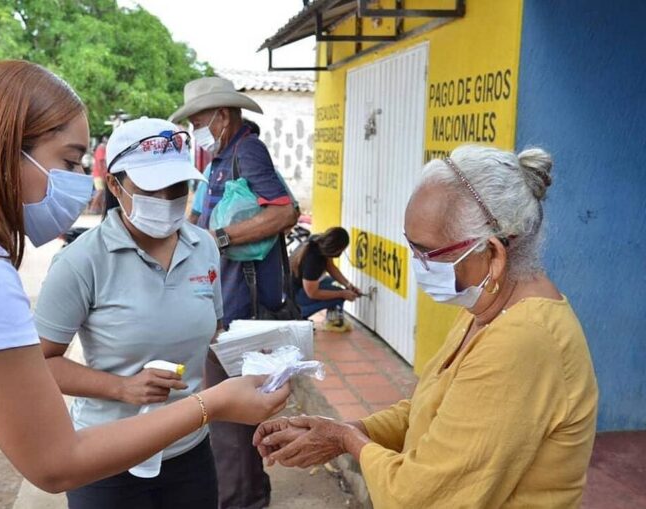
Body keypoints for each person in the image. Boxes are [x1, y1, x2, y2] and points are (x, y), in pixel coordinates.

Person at [0, 60, 290, 509]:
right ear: (4, 150)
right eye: (69, 161)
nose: (77, 183)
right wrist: (211, 403)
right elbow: (56, 462)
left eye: (179, 189)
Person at [253, 145, 598, 508]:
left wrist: (346, 441)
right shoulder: (485, 306)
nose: (417, 263)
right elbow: (429, 411)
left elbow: (420, 499)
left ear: (493, 254)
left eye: (426, 252)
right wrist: (350, 431)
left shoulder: (524, 342)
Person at [35, 117, 223, 508]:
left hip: (188, 448)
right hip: (107, 458)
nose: (169, 198)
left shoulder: (204, 247)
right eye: (154, 187)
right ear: (116, 185)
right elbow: (39, 364)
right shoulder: (81, 262)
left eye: (179, 186)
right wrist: (121, 387)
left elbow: (211, 332)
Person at [171, 77, 298, 509]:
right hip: (224, 310)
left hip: (243, 315)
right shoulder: (220, 158)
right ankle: (248, 498)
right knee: (232, 425)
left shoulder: (246, 151)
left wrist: (218, 239)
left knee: (229, 426)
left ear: (221, 116)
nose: (195, 129)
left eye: (199, 120)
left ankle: (242, 503)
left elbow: (283, 211)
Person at [289, 227, 361, 329]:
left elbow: (330, 267)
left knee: (333, 284)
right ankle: (299, 313)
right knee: (338, 295)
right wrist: (342, 294)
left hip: (295, 289)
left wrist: (348, 285)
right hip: (293, 296)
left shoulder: (319, 242)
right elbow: (312, 293)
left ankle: (332, 316)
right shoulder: (314, 260)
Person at [89, 136, 108, 213]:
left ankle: (100, 209)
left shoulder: (100, 149)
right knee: (100, 191)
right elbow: (101, 163)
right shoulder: (101, 149)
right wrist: (103, 174)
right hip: (98, 174)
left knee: (102, 192)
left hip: (97, 173)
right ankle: (92, 208)